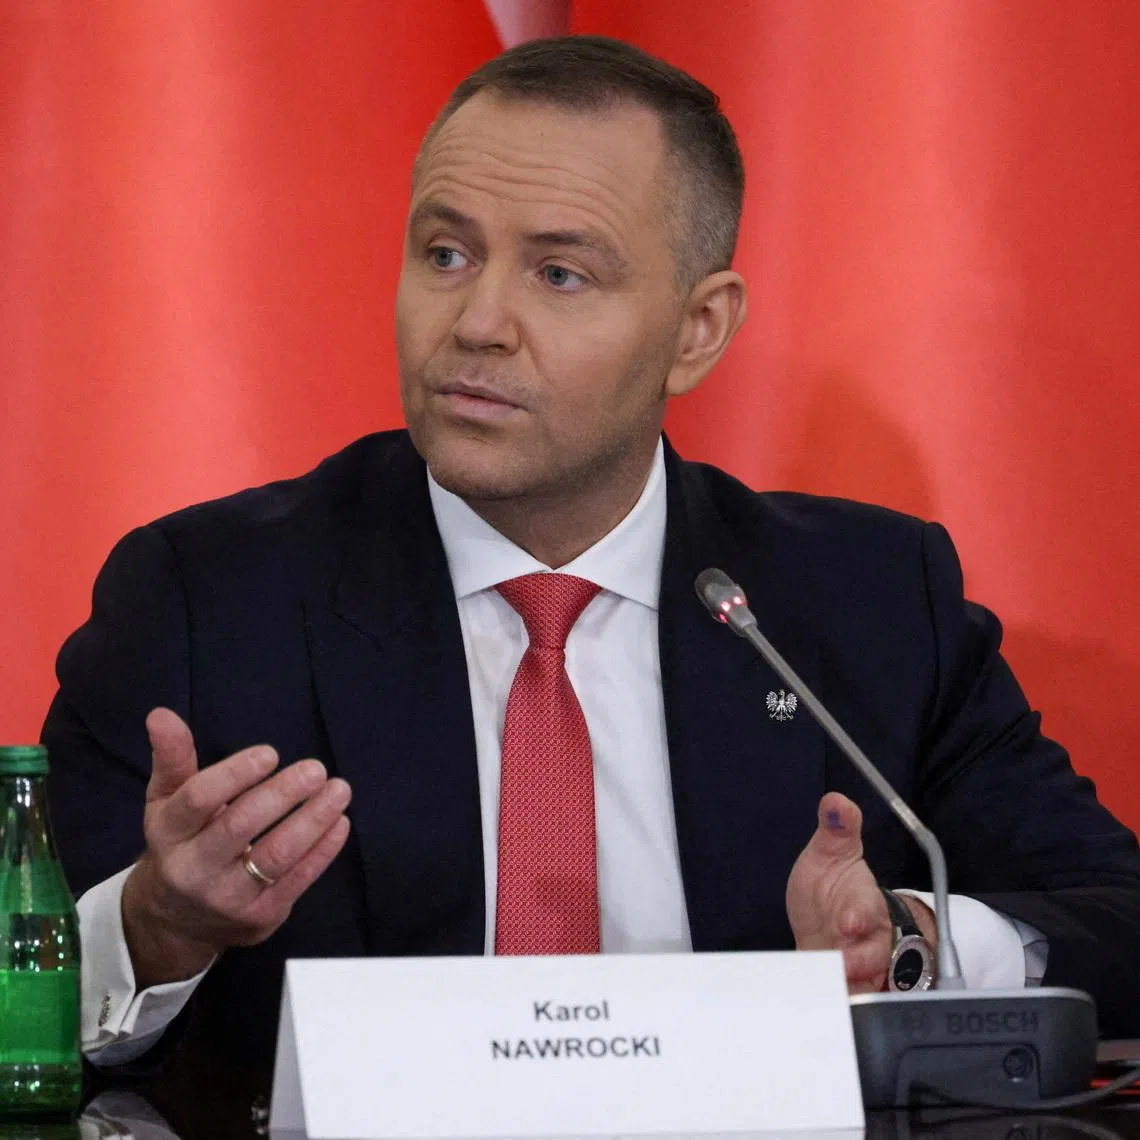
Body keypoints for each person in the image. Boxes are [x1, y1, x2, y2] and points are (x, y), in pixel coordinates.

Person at [44, 36, 1140, 1082]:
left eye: (560, 275)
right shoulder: (206, 599)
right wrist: (155, 925)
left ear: (697, 330)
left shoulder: (866, 606)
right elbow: (27, 972)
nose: (476, 321)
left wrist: (909, 938)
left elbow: (1115, 914)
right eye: (445, 252)